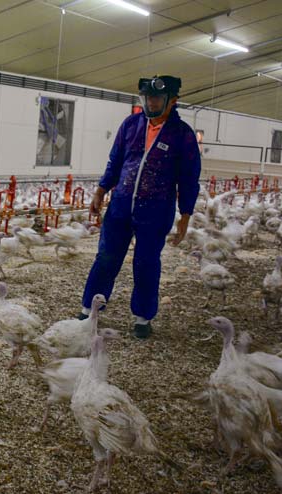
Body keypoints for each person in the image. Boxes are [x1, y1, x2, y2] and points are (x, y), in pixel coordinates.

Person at [79, 75, 201, 339]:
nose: (151, 102)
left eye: (156, 98)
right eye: (147, 98)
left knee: (146, 263)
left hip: (155, 211)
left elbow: (189, 177)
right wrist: (101, 190)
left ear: (172, 101)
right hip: (121, 206)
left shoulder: (182, 135)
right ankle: (90, 307)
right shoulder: (132, 125)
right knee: (106, 258)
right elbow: (115, 161)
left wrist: (185, 215)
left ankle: (142, 317)